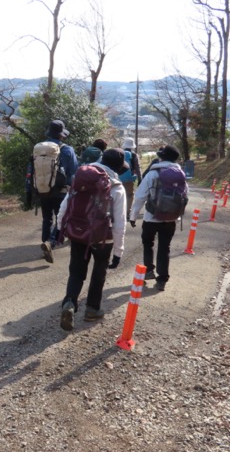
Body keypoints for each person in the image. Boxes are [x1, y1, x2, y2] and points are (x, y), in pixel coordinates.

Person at [57, 148, 128, 331]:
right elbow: (120, 223)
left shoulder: (81, 177)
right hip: (103, 237)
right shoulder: (117, 187)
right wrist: (119, 251)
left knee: (76, 271)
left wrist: (60, 229)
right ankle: (92, 309)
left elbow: (65, 205)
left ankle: (70, 303)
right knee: (99, 272)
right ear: (118, 167)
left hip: (79, 233)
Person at [128, 144, 186, 292]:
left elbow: (140, 196)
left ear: (161, 157)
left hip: (151, 217)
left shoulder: (153, 173)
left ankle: (148, 270)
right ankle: (162, 280)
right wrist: (177, 214)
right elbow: (184, 196)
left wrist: (133, 216)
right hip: (170, 219)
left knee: (148, 243)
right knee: (164, 248)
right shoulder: (180, 174)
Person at [37, 120, 79, 264]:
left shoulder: (39, 148)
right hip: (61, 191)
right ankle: (51, 242)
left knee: (46, 218)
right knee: (62, 218)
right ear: (62, 135)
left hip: (42, 188)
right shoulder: (67, 150)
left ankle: (45, 242)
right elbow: (73, 172)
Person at [118, 137, 142, 218]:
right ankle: (128, 212)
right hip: (129, 178)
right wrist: (140, 178)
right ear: (132, 146)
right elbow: (137, 167)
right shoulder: (134, 155)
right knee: (129, 195)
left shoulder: (119, 153)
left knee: (120, 195)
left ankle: (120, 211)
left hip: (118, 178)